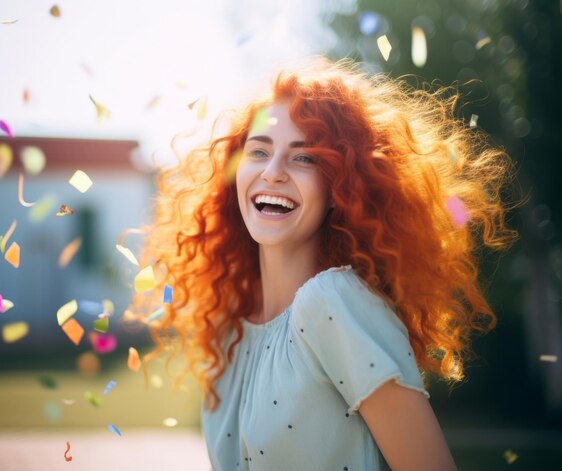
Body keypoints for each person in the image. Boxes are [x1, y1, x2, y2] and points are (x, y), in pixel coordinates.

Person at [128, 57, 521, 470]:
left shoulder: (333, 302)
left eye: (304, 158)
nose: (273, 173)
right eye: (259, 151)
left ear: (340, 186)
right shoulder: (229, 327)